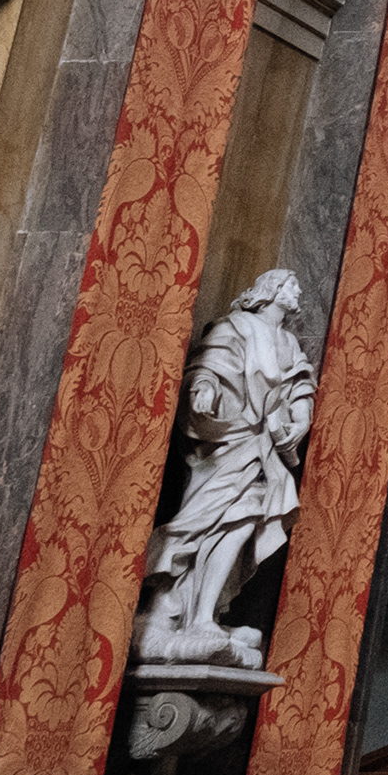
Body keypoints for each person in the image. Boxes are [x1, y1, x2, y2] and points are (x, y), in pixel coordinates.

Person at [134, 270, 316, 667]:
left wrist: (301, 415)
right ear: (271, 290)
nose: (298, 290)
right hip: (226, 441)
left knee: (245, 522)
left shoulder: (288, 341)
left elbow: (300, 383)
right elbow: (210, 364)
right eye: (291, 285)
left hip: (263, 447)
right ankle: (178, 612)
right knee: (200, 524)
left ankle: (206, 614)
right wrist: (204, 388)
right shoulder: (237, 326)